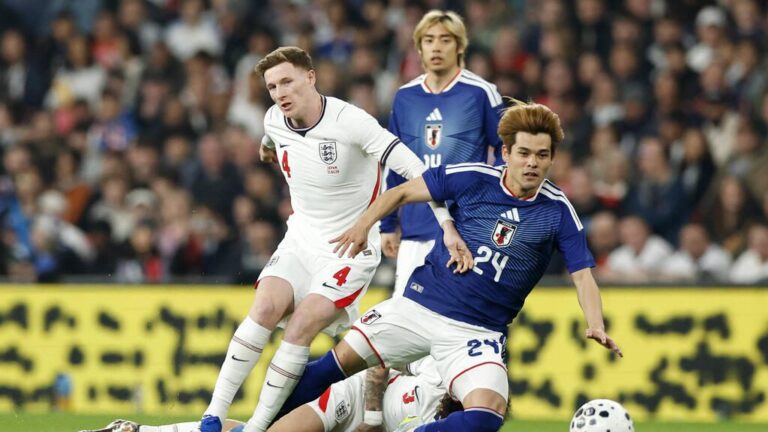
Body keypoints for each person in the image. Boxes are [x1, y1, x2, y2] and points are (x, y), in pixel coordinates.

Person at [280, 100, 622, 432]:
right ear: (506, 153)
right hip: (419, 306)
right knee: (332, 367)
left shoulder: (557, 211)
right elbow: (399, 193)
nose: (532, 163)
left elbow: (583, 277)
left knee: (487, 414)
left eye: (542, 155)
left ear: (552, 159)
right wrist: (363, 224)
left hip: (478, 333)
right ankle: (260, 425)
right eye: (525, 153)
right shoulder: (473, 177)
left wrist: (595, 323)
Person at [198, 46, 472, 432]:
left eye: (287, 81)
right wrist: (266, 148)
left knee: (301, 327)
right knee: (263, 308)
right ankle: (214, 414)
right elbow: (273, 137)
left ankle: (257, 427)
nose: (279, 92)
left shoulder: (351, 121)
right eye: (273, 86)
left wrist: (445, 224)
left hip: (350, 248)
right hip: (301, 237)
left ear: (311, 78)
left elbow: (415, 170)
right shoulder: (275, 118)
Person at [382, 10, 504, 298]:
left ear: (460, 45)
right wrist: (387, 223)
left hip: (465, 227)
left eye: (445, 39)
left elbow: (505, 152)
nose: (436, 47)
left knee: (457, 321)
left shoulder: (481, 92)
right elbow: (394, 162)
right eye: (428, 40)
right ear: (419, 47)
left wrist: (489, 208)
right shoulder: (405, 97)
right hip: (414, 226)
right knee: (406, 324)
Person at [79, 358, 458, 432]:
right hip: (353, 396)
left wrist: (373, 421)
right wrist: (373, 411)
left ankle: (135, 431)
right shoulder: (444, 368)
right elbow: (379, 365)